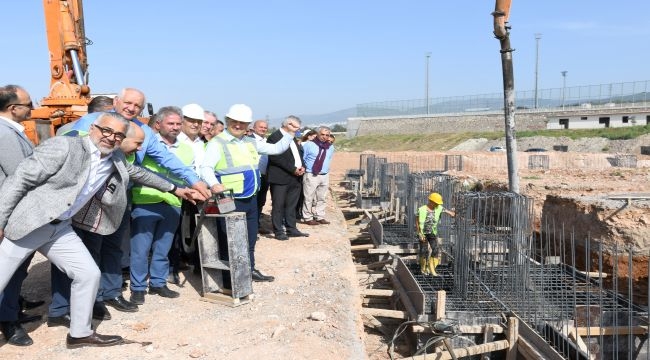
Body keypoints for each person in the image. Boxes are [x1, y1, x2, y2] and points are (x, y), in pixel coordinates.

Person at [0, 112, 184, 348]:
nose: (111, 137)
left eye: (118, 135)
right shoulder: (65, 146)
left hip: (59, 229)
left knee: (88, 274)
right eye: (106, 130)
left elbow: (138, 173)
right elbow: (20, 179)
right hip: (31, 222)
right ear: (93, 128)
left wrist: (175, 188)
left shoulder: (115, 158)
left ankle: (79, 334)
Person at [49, 88, 210, 323]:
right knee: (85, 253)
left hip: (120, 199)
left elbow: (158, 162)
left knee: (114, 249)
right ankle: (84, 302)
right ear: (116, 101)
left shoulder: (143, 131)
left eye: (138, 106)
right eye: (128, 103)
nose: (132, 108)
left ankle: (111, 293)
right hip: (87, 201)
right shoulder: (95, 123)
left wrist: (191, 181)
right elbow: (65, 144)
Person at [200, 104, 299, 282]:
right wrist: (214, 184)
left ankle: (249, 270)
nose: (238, 125)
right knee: (229, 238)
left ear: (248, 125)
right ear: (229, 121)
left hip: (250, 198)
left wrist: (290, 133)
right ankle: (229, 277)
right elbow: (205, 168)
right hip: (229, 198)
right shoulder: (218, 143)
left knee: (250, 237)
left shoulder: (250, 142)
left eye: (242, 123)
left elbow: (275, 149)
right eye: (234, 122)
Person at [130, 106, 195, 303]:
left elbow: (188, 174)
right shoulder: (145, 143)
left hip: (173, 202)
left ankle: (158, 283)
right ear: (158, 124)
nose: (175, 127)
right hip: (146, 200)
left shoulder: (186, 149)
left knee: (163, 247)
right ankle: (138, 287)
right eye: (171, 123)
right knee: (141, 249)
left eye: (178, 124)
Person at [0, 85, 40, 346]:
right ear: (13, 109)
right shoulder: (5, 134)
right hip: (11, 213)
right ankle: (8, 322)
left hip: (15, 211)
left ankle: (13, 308)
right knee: (10, 269)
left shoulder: (12, 130)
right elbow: (20, 175)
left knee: (17, 268)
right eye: (28, 104)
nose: (32, 108)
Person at [267, 116, 309, 240]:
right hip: (280, 177)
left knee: (291, 205)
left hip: (295, 177)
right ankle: (278, 230)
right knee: (278, 205)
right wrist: (293, 169)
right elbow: (275, 158)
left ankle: (291, 228)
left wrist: (302, 166)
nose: (297, 129)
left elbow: (298, 155)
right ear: (288, 124)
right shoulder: (274, 137)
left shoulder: (293, 138)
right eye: (295, 127)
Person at [301, 126, 335, 226]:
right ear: (318, 134)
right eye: (322, 134)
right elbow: (303, 158)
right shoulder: (309, 145)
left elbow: (328, 159)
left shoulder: (330, 147)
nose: (324, 137)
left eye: (327, 135)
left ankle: (319, 216)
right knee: (309, 197)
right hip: (311, 174)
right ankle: (307, 217)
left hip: (324, 175)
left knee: (322, 197)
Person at [416, 192, 455, 276]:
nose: (437, 205)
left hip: (432, 233)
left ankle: (431, 268)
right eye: (436, 203)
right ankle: (423, 268)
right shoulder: (421, 209)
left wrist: (456, 215)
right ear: (430, 201)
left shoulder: (438, 208)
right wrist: (419, 233)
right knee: (424, 251)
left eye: (438, 203)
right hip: (423, 233)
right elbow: (417, 222)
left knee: (435, 249)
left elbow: (450, 213)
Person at [250, 119, 270, 234]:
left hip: (265, 175)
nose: (263, 129)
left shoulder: (267, 141)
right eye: (260, 127)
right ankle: (252, 228)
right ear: (254, 127)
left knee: (261, 201)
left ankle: (257, 225)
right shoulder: (249, 140)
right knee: (253, 202)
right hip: (254, 176)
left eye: (265, 127)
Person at [295, 129, 316, 221]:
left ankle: (301, 211)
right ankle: (297, 211)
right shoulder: (304, 145)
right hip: (302, 171)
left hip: (306, 171)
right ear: (308, 136)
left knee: (305, 194)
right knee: (301, 193)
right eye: (313, 136)